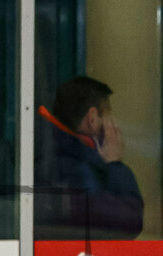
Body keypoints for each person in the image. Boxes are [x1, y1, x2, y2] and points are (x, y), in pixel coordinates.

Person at [34, 76, 144, 240]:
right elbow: (129, 221)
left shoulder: (48, 155)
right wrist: (115, 164)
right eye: (108, 115)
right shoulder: (79, 170)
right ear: (92, 119)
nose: (114, 124)